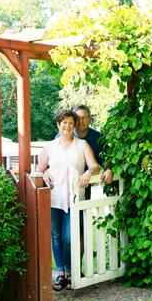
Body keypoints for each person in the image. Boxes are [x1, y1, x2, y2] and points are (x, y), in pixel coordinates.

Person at [36, 109, 100, 291]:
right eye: (64, 122)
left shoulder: (82, 145)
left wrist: (88, 172)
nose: (68, 126)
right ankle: (61, 274)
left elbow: (94, 165)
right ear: (58, 124)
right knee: (56, 238)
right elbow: (40, 168)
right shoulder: (49, 147)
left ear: (74, 126)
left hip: (74, 199)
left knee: (69, 238)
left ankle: (72, 272)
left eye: (71, 123)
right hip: (54, 199)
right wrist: (46, 171)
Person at [44, 105, 113, 264]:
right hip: (60, 192)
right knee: (61, 234)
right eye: (77, 118)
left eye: (84, 117)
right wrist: (46, 171)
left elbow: (103, 161)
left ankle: (77, 268)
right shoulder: (60, 136)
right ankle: (66, 270)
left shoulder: (96, 137)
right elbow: (50, 161)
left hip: (83, 189)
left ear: (90, 119)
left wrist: (108, 169)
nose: (80, 121)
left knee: (79, 230)